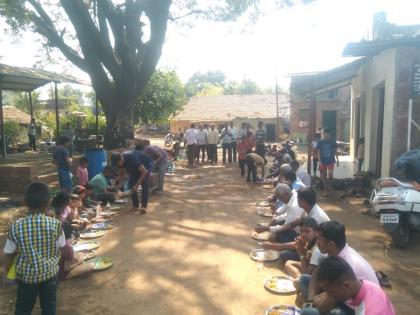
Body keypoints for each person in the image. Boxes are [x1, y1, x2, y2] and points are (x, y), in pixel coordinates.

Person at [3, 183, 65, 314]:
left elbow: (9, 254)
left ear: (25, 202)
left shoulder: (15, 228)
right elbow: (61, 247)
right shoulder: (56, 224)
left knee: (23, 308)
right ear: (49, 203)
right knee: (49, 306)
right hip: (50, 274)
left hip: (26, 277)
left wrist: (7, 273)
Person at [301, 221, 379, 314]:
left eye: (319, 239)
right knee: (303, 279)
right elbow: (316, 275)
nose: (316, 242)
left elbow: (324, 306)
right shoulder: (333, 252)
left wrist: (319, 300)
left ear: (331, 244)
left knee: (308, 312)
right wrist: (311, 300)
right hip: (342, 295)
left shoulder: (346, 263)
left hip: (355, 308)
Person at [301, 256, 395, 315]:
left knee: (307, 312)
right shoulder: (368, 285)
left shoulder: (366, 311)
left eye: (333, 293)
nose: (330, 296)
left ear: (346, 285)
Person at [316, 128, 339, 197]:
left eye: (326, 133)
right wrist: (320, 161)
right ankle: (325, 190)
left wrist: (338, 160)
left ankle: (329, 185)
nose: (325, 134)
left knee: (330, 174)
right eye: (324, 133)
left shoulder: (333, 141)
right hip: (323, 161)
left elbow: (335, 151)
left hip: (331, 160)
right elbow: (318, 152)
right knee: (323, 175)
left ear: (329, 133)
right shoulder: (321, 142)